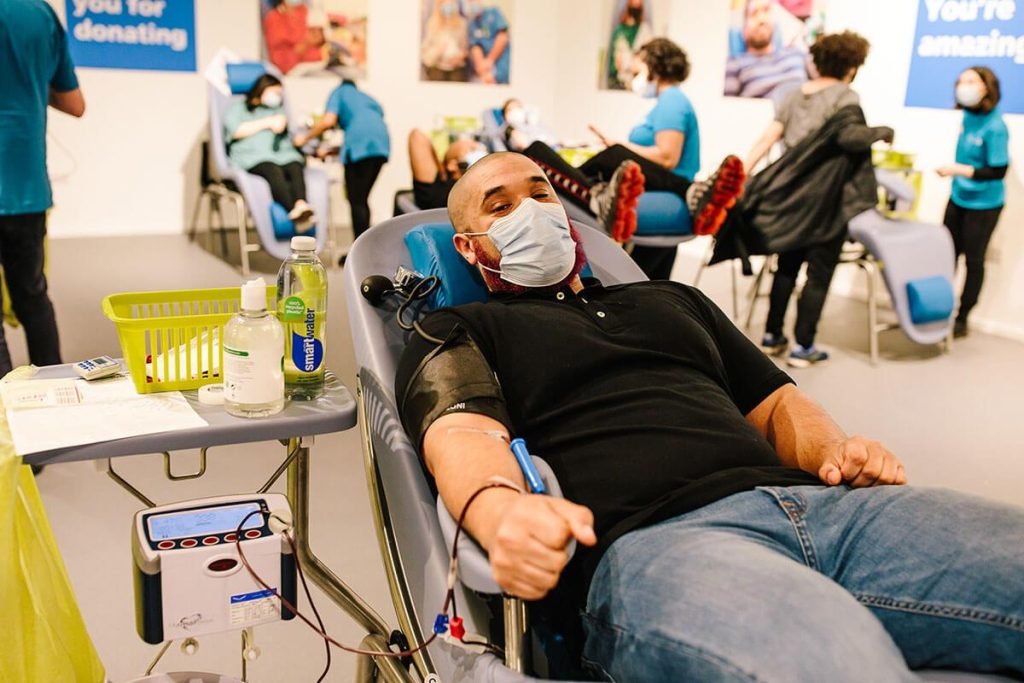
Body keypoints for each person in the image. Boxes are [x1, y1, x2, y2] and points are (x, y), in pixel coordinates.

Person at [395, 152, 1024, 682]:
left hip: (832, 511)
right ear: (468, 246)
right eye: (501, 208)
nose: (531, 212)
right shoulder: (457, 327)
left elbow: (777, 403)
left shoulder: (673, 299)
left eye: (541, 194)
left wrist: (838, 451)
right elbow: (461, 430)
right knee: (836, 664)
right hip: (660, 544)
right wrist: (501, 510)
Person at [524, 38, 744, 278]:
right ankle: (599, 188)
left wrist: (620, 146)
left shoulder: (672, 100)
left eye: (637, 71)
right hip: (661, 184)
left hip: (666, 184)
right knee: (611, 155)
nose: (633, 77)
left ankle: (595, 194)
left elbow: (667, 157)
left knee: (537, 152)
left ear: (654, 66)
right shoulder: (670, 100)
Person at [744, 31, 892, 367]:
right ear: (852, 66)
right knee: (819, 274)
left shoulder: (795, 95)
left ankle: (772, 336)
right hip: (828, 203)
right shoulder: (846, 96)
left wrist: (741, 175)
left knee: (786, 267)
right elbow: (850, 138)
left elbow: (768, 139)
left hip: (792, 199)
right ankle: (803, 347)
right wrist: (882, 132)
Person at [0, 0, 85, 381]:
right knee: (33, 297)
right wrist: (32, 85)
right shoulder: (42, 14)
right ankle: (55, 395)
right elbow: (75, 103)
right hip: (27, 189)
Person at [937, 66, 1009, 339]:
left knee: (974, 260)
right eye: (961, 81)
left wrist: (959, 170)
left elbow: (997, 170)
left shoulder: (996, 126)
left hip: (985, 204)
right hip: (959, 197)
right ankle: (939, 309)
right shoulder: (968, 116)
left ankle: (962, 316)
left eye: (971, 81)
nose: (962, 86)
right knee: (947, 256)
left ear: (986, 88)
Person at [294, 77, 390, 244]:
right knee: (362, 199)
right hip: (382, 145)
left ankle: (359, 251)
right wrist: (331, 151)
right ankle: (365, 247)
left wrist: (305, 138)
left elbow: (328, 121)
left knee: (356, 201)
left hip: (361, 147)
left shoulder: (339, 92)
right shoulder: (367, 98)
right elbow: (364, 132)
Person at [224, 74, 316, 233]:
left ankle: (301, 205)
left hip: (281, 154)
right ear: (262, 89)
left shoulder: (277, 109)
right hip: (252, 156)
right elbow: (235, 131)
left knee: (295, 166)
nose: (278, 97)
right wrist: (267, 123)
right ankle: (293, 210)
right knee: (272, 169)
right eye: (275, 92)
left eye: (280, 94)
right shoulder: (238, 108)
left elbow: (287, 133)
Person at [725, 0, 808, 103]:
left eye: (766, 10)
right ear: (743, 30)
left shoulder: (796, 53)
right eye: (754, 13)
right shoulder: (735, 63)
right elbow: (727, 107)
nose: (761, 19)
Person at [407, 129, 488, 210]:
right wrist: (441, 168)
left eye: (479, 148)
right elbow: (417, 136)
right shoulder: (437, 191)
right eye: (472, 149)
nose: (478, 152)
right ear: (452, 166)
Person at [263, 0, 326, 76]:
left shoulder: (305, 12)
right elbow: (282, 63)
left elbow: (319, 50)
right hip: (292, 74)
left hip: (317, 68)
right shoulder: (274, 19)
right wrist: (305, 43)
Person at [606, 0, 653, 90]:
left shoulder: (644, 31)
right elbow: (615, 62)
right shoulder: (619, 31)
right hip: (618, 83)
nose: (636, 3)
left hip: (637, 85)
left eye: (639, 3)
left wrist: (628, 62)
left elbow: (644, 61)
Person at [421, 0, 469, 82]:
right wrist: (437, 51)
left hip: (456, 67)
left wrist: (459, 57)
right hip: (437, 66)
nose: (448, 6)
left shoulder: (462, 23)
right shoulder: (432, 23)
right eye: (445, 3)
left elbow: (466, 48)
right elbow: (425, 50)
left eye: (450, 4)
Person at [465, 0, 511, 85]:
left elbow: (502, 37)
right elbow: (475, 47)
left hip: (501, 66)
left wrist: (490, 60)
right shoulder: (473, 23)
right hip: (486, 74)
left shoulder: (493, 13)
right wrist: (483, 70)